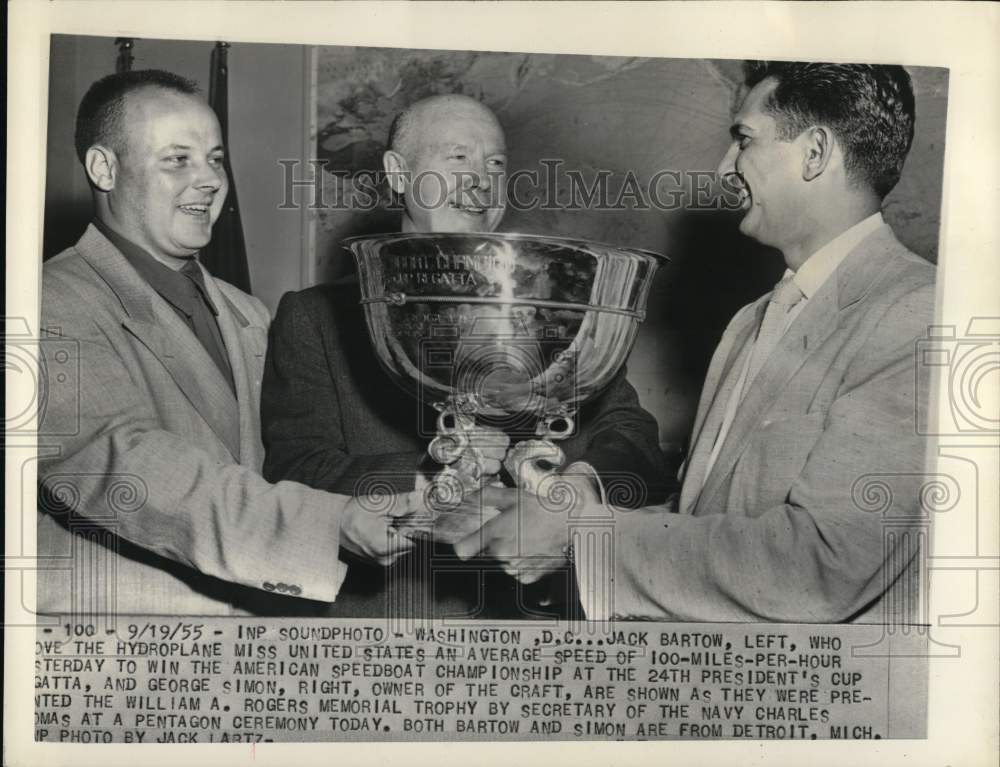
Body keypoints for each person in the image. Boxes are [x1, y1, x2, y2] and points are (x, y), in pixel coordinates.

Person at [461, 62, 935, 624]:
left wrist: (583, 538)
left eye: (744, 140)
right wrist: (578, 510)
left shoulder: (917, 315)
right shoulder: (751, 321)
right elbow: (703, 515)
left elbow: (821, 570)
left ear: (815, 153)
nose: (725, 167)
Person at [261, 93, 668, 619]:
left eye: (495, 164)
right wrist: (434, 472)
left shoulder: (563, 313)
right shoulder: (316, 317)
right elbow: (295, 469)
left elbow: (636, 442)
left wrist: (576, 482)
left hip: (545, 624)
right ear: (398, 173)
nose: (480, 180)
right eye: (457, 159)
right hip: (400, 626)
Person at [37, 70, 413, 616]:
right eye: (177, 159)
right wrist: (332, 524)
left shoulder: (249, 311)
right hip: (121, 649)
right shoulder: (44, 305)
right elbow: (129, 468)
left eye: (215, 159)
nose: (209, 179)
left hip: (260, 635)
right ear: (104, 168)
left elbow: (288, 463)